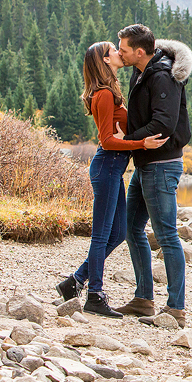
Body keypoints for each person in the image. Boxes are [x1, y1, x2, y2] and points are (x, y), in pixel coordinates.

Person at [55, 41, 166, 317]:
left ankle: (75, 282)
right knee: (102, 234)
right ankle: (95, 295)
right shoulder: (103, 94)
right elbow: (107, 140)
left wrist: (129, 137)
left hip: (114, 168)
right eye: (113, 51)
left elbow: (117, 136)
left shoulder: (111, 91)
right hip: (106, 167)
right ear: (105, 60)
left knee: (117, 233)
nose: (119, 53)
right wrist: (141, 144)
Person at [112, 24, 192, 327]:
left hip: (162, 164)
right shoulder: (141, 70)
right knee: (131, 227)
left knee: (167, 235)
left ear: (140, 51)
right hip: (147, 162)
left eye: (124, 49)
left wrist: (127, 140)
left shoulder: (162, 76)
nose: (120, 52)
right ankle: (144, 299)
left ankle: (176, 309)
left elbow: (163, 124)